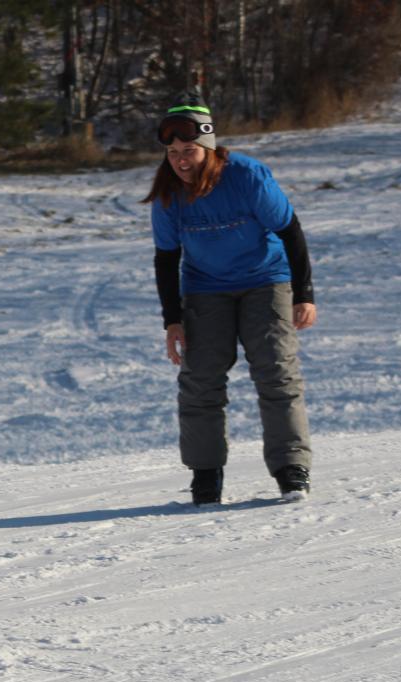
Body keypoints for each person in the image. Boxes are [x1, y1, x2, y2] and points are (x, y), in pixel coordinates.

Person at [143, 93, 317, 505]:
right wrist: (172, 321)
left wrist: (304, 294)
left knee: (275, 370)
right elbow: (166, 259)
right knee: (200, 379)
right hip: (205, 287)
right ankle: (206, 475)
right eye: (172, 153)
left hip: (265, 280)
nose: (180, 161)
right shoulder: (168, 193)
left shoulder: (246, 176)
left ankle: (291, 468)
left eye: (188, 151)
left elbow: (290, 230)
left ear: (208, 147)